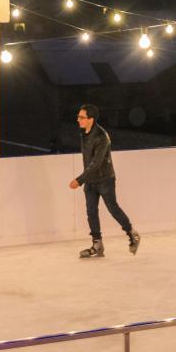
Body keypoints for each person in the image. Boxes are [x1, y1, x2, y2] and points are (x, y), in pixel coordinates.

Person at [68, 104, 141, 258]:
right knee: (91, 211)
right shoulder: (84, 134)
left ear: (91, 119)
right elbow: (88, 162)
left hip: (104, 180)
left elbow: (97, 163)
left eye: (81, 117)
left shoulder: (101, 136)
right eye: (78, 117)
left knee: (113, 209)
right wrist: (85, 180)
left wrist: (79, 180)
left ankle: (132, 234)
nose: (78, 120)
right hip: (90, 181)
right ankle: (97, 245)